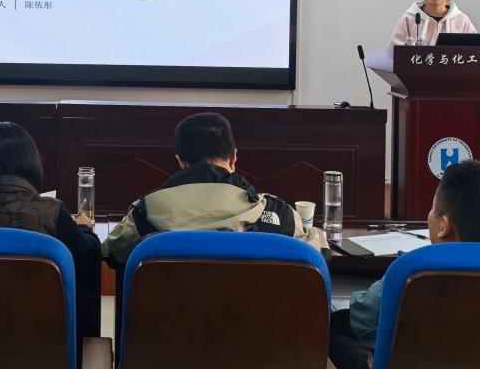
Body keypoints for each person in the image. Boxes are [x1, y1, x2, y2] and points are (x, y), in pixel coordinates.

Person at [330, 159, 480, 369]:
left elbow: (360, 317)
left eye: (432, 209)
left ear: (444, 226)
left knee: (337, 334)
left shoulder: (411, 274)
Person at [0, 121, 102, 341]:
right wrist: (83, 228)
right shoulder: (52, 214)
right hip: (41, 349)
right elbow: (89, 258)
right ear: (29, 162)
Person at [102, 112, 329, 269]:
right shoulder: (279, 215)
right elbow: (314, 254)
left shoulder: (144, 215)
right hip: (253, 325)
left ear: (180, 161)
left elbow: (112, 253)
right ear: (234, 157)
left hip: (168, 326)